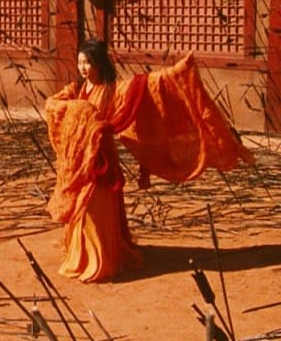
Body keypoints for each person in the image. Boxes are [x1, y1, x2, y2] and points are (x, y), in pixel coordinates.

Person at [44, 39, 254, 282]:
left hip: (101, 156)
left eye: (87, 62)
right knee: (81, 205)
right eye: (80, 62)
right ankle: (81, 254)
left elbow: (149, 85)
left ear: (99, 64)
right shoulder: (77, 90)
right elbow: (53, 104)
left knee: (95, 204)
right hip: (80, 158)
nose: (82, 67)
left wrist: (177, 72)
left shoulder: (115, 89)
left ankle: (100, 259)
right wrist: (79, 110)